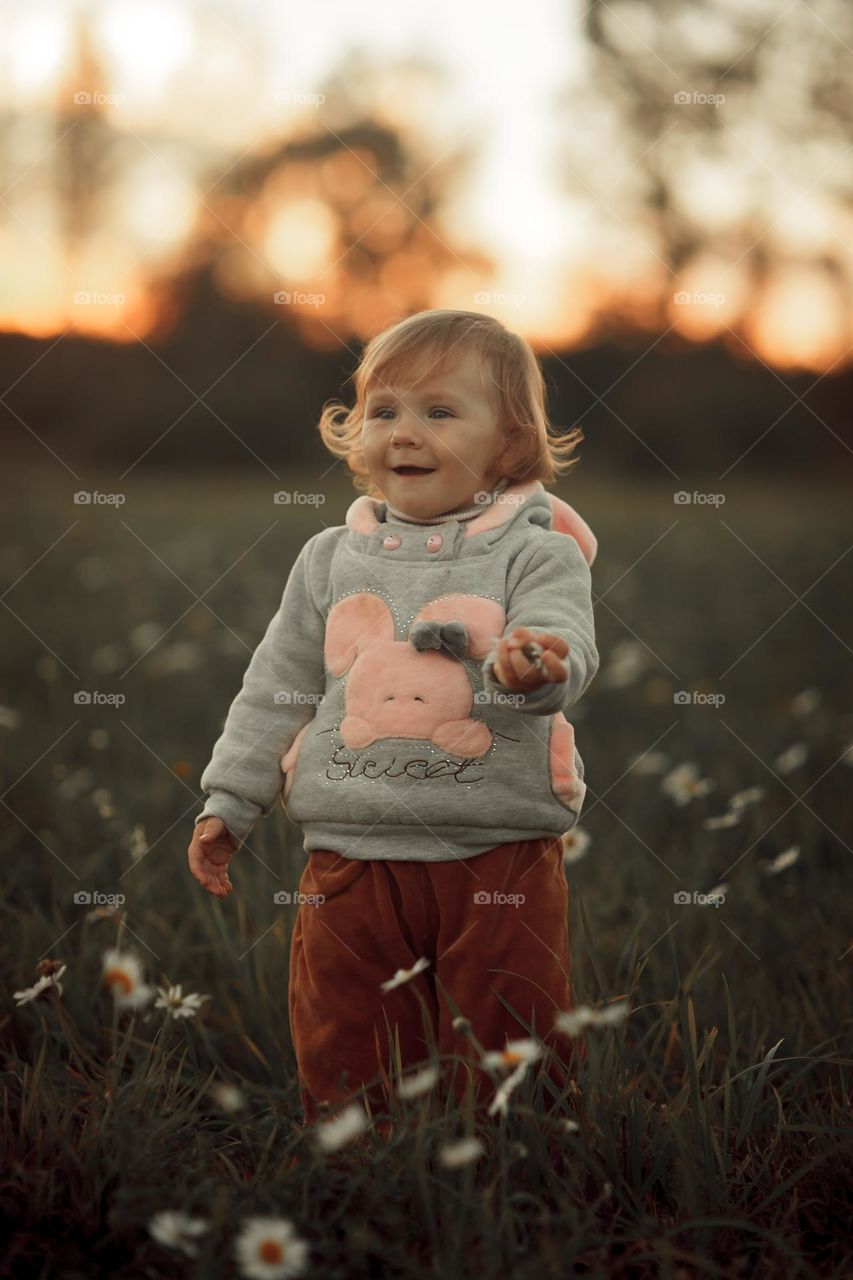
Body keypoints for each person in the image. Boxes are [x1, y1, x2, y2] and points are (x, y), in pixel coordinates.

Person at [187, 309, 600, 1131]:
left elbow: (565, 642)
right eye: (384, 411)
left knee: (511, 1024)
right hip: (349, 848)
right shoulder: (330, 558)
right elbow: (277, 686)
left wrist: (534, 663)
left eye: (439, 412)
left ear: (510, 445)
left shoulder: (534, 550)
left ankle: (524, 1155)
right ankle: (363, 1162)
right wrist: (229, 799)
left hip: (495, 848)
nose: (403, 432)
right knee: (345, 1026)